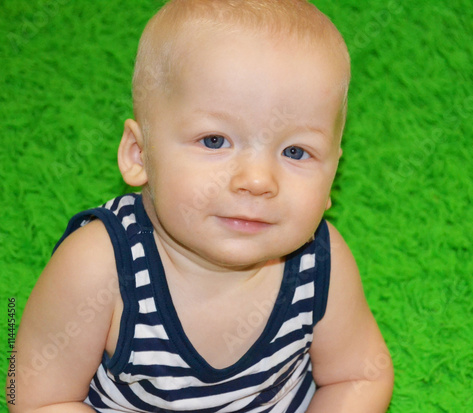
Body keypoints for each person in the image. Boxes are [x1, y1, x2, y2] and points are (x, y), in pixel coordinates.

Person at [11, 0, 394, 411]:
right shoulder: (98, 267)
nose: (258, 181)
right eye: (215, 141)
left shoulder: (320, 262)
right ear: (140, 154)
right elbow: (33, 397)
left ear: (333, 174)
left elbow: (359, 375)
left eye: (296, 151)